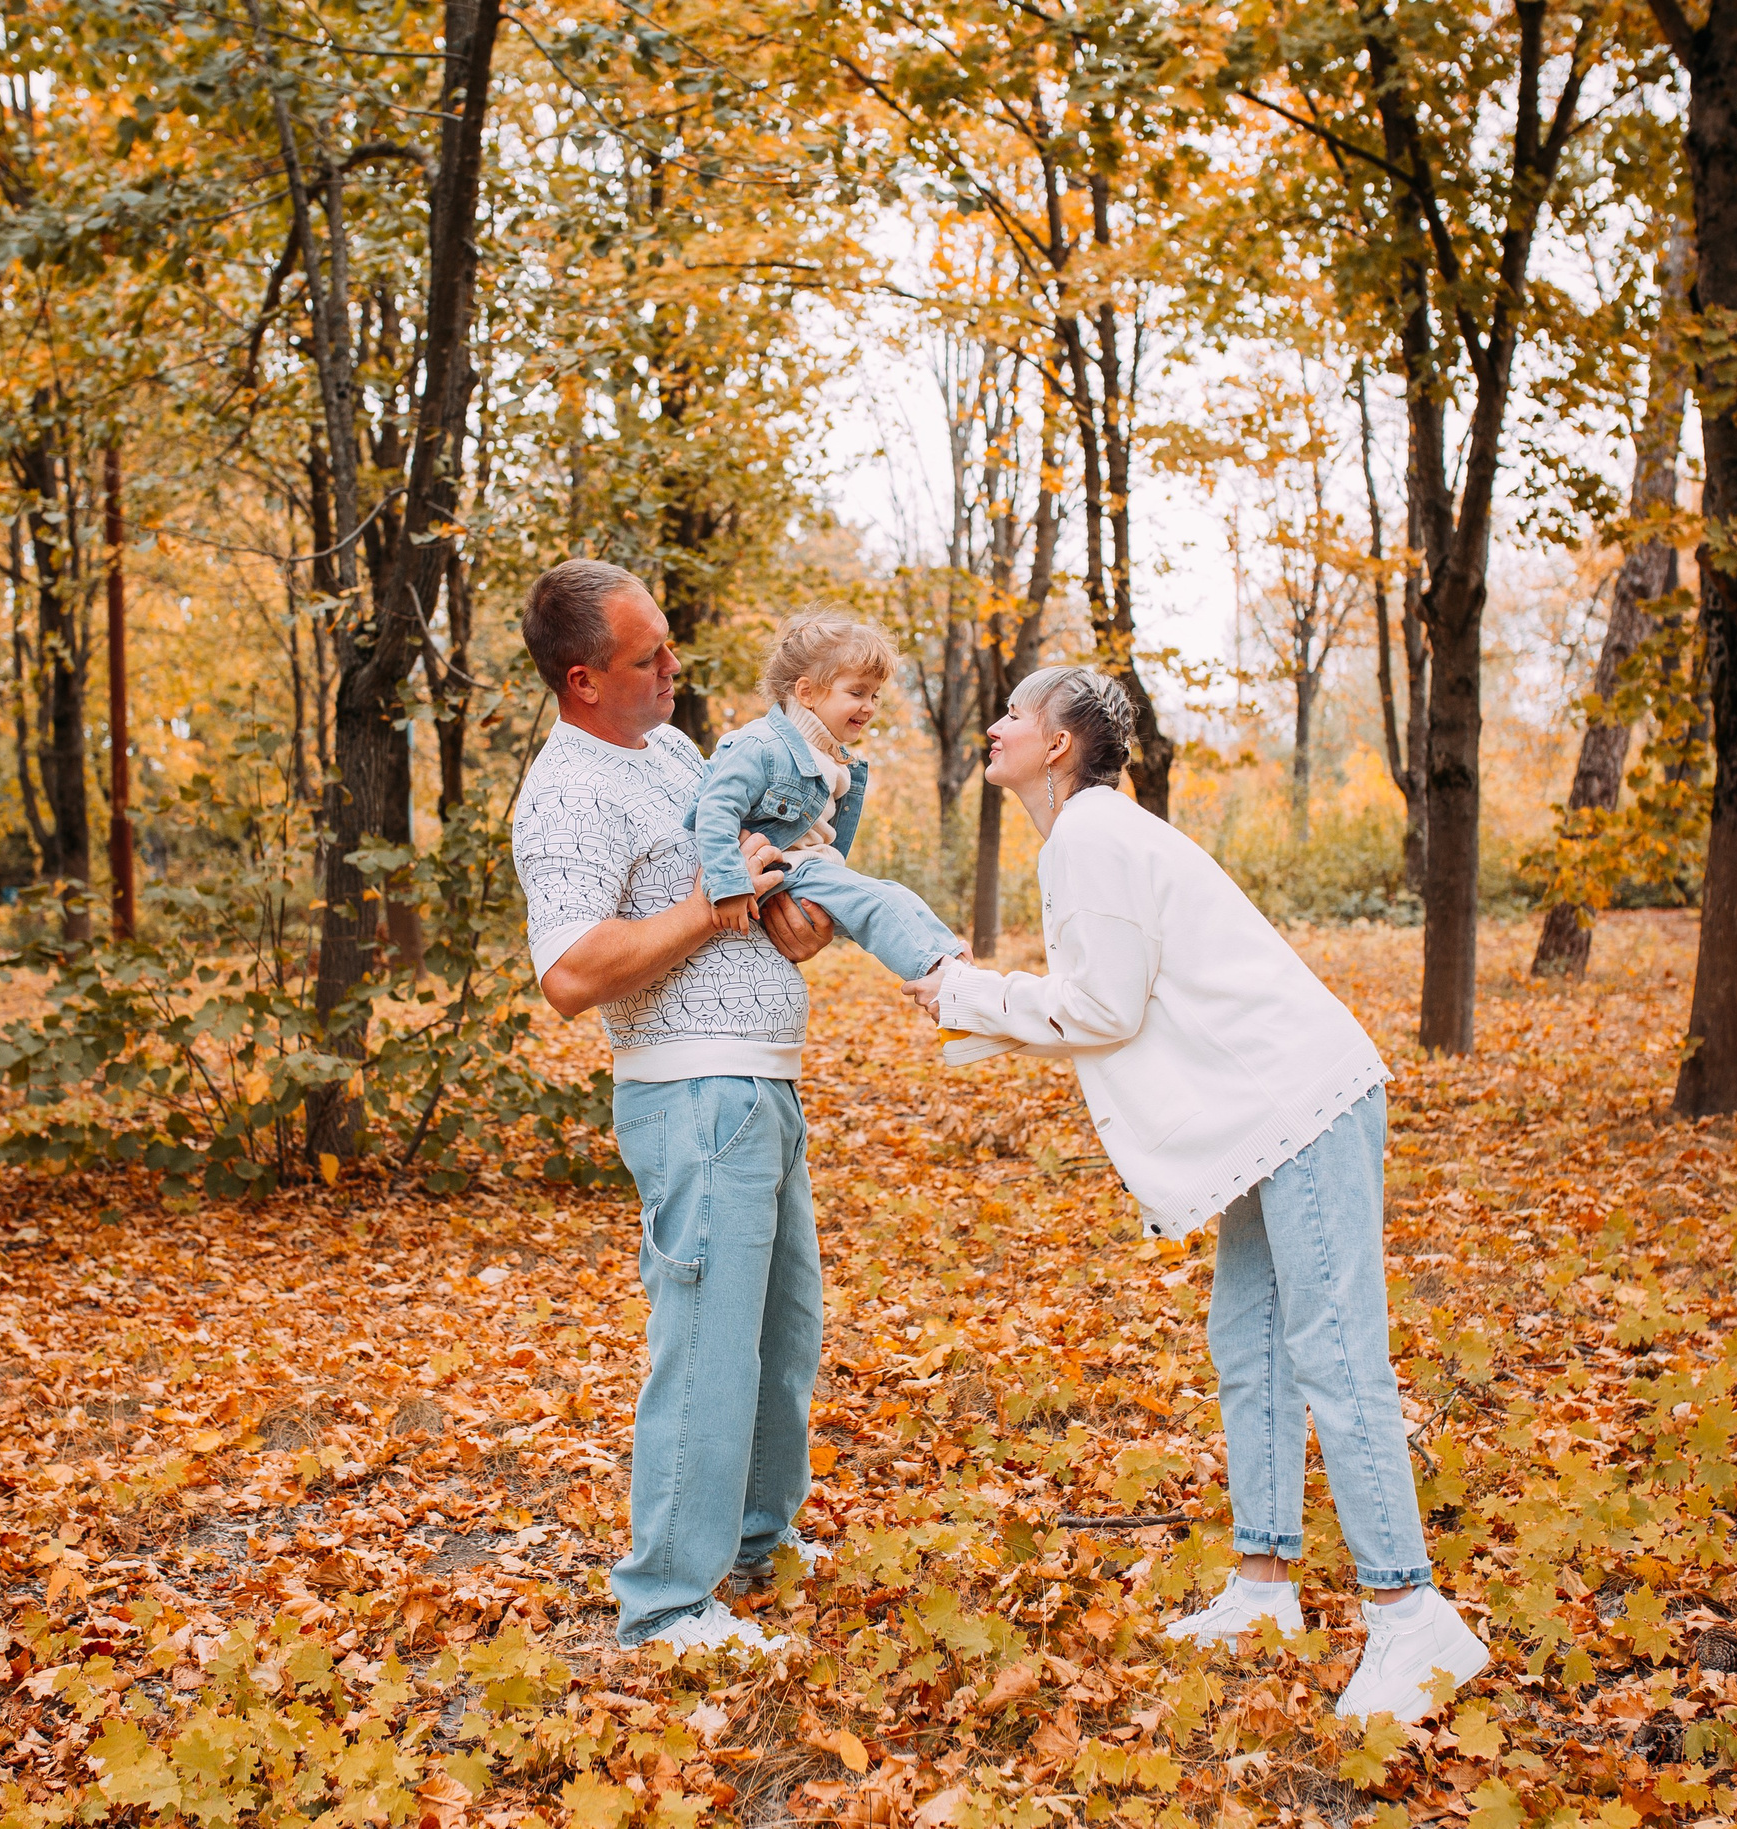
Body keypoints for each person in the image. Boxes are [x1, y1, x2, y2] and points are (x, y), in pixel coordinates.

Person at [919, 665, 1488, 1723]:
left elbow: (1101, 1005)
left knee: (1331, 1348)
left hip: (1300, 1103)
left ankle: (1413, 1617)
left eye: (1012, 711)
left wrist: (965, 991)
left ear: (1057, 742)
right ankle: (1265, 1587)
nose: (991, 725)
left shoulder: (1090, 835)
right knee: (1251, 1338)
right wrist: (976, 1008)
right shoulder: (1088, 835)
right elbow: (1114, 1002)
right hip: (1264, 1119)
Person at [510, 558, 838, 1657]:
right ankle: (665, 1600)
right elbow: (568, 970)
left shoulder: (669, 751)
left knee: (782, 1334)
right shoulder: (566, 791)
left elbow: (732, 887)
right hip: (691, 1092)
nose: (672, 666)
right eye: (646, 656)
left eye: (667, 642)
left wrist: (787, 908)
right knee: (704, 1346)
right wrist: (710, 908)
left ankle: (754, 1536)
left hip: (761, 1078)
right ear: (582, 679)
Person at [687, 610, 968, 997]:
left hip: (812, 871)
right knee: (876, 902)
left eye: (875, 695)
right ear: (806, 693)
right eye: (856, 692)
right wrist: (729, 886)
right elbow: (714, 810)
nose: (869, 706)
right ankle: (943, 983)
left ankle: (953, 962)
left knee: (894, 894)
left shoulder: (832, 759)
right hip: (785, 875)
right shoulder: (762, 745)